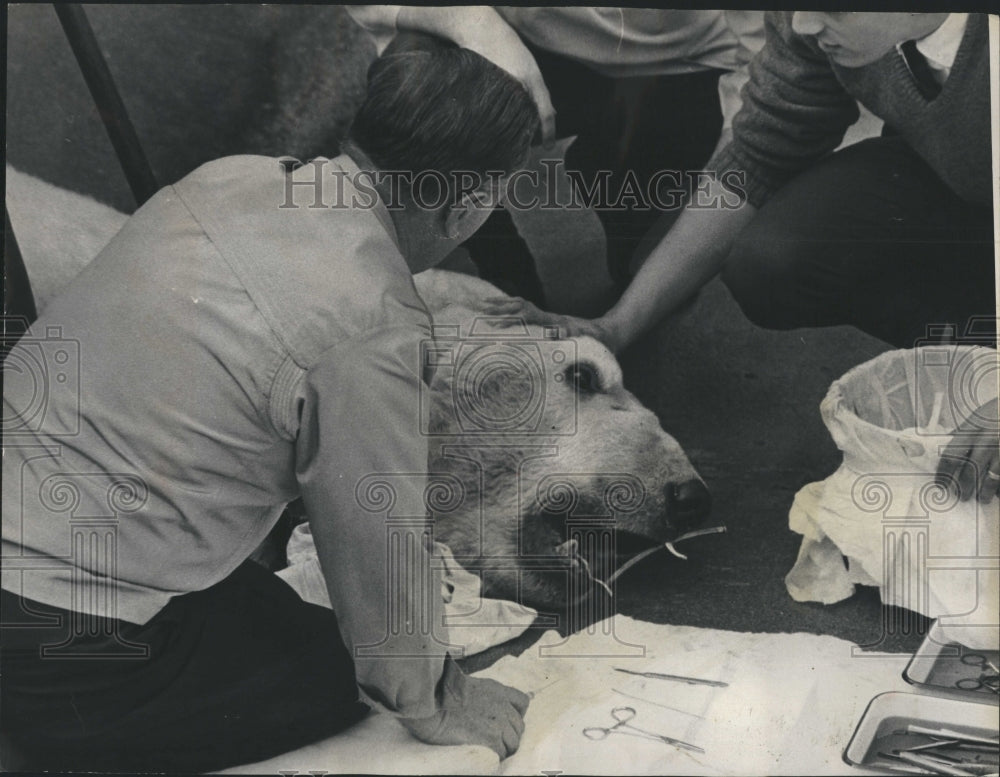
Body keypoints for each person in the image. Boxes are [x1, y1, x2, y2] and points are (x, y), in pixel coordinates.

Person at [1, 34, 537, 771]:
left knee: (275, 617)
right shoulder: (372, 324)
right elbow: (378, 562)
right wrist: (436, 698)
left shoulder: (233, 176)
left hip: (31, 540)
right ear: (469, 209)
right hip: (55, 636)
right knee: (333, 672)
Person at [485, 12, 997, 503]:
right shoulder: (811, 19)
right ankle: (971, 343)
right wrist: (615, 326)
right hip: (952, 174)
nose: (801, 24)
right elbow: (762, 150)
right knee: (770, 257)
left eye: (834, 10)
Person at [347, 6, 765, 306]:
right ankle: (508, 280)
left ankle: (625, 217)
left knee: (649, 262)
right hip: (522, 45)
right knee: (425, 85)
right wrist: (469, 20)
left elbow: (768, 84)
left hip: (684, 68)